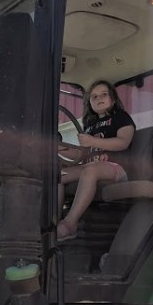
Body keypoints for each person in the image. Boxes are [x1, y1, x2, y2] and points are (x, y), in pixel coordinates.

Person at [57, 79, 135, 242]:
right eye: (94, 96)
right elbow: (81, 155)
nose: (99, 98)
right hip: (91, 166)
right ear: (89, 103)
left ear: (113, 98)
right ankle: (53, 222)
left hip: (117, 168)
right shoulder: (90, 126)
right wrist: (59, 148)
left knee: (90, 170)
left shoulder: (121, 117)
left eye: (104, 94)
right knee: (58, 175)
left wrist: (93, 141)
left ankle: (70, 224)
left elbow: (123, 142)